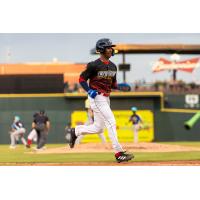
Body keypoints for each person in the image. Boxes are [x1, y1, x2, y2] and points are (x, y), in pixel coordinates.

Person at [65, 38, 134, 163]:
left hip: (106, 98)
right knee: (111, 121)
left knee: (99, 128)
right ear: (102, 50)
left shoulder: (113, 66)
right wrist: (88, 90)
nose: (111, 49)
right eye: (108, 47)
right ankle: (119, 153)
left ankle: (76, 131)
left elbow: (113, 85)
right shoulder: (93, 65)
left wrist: (120, 86)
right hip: (97, 97)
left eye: (110, 47)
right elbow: (81, 79)